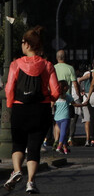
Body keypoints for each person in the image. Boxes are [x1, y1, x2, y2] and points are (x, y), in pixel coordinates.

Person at [4, 26, 61, 194]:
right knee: (34, 147)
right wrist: (49, 99)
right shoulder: (47, 65)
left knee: (18, 144)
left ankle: (17, 170)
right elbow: (56, 91)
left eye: (22, 42)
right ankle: (30, 182)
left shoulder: (16, 64)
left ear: (28, 45)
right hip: (40, 109)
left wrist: (10, 105)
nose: (21, 45)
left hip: (20, 108)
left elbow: (9, 88)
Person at [54, 50, 80, 146]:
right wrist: (79, 95)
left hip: (55, 98)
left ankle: (56, 139)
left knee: (57, 121)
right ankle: (66, 140)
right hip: (67, 98)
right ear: (65, 58)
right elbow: (75, 83)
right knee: (67, 121)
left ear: (57, 58)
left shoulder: (53, 68)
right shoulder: (70, 68)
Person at [53, 80, 84, 155]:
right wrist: (83, 104)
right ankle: (60, 146)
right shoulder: (68, 96)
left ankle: (64, 147)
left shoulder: (55, 96)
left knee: (62, 132)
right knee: (64, 132)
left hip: (57, 117)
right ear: (65, 88)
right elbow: (75, 104)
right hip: (65, 117)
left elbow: (51, 104)